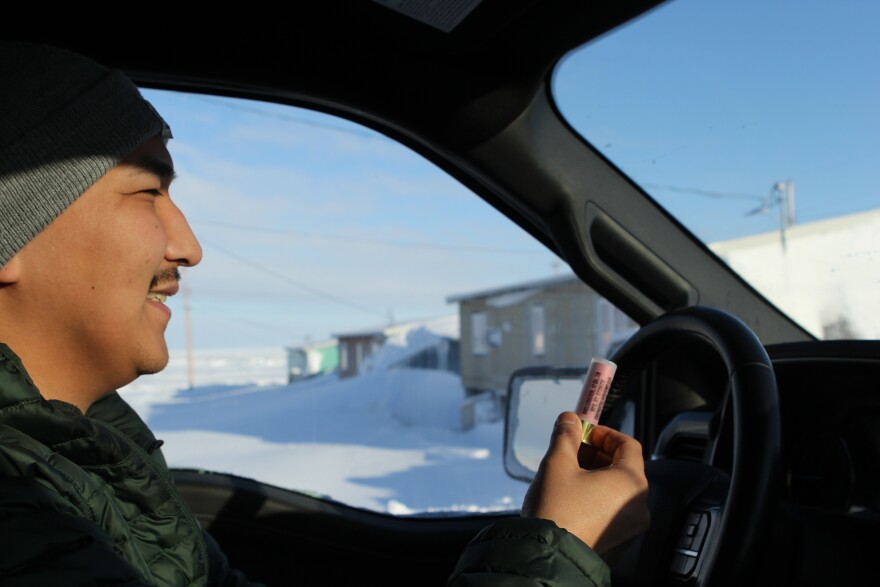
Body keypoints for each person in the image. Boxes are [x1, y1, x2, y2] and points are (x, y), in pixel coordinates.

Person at [0, 41, 649, 586]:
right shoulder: (20, 508)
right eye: (148, 190)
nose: (189, 247)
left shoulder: (91, 454)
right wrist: (559, 548)